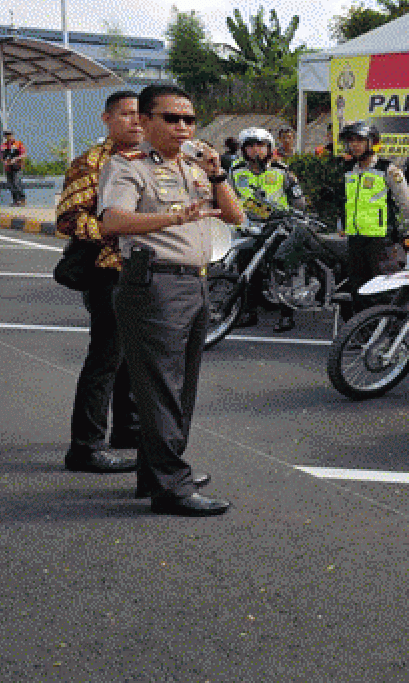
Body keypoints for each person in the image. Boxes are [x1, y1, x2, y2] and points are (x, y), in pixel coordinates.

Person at [99, 84, 245, 516]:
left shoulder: (197, 168)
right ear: (144, 122)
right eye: (170, 118)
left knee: (181, 386)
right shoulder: (128, 167)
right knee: (161, 387)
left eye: (188, 119)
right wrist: (173, 217)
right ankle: (172, 487)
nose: (182, 127)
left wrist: (218, 174)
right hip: (155, 286)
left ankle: (157, 472)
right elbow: (113, 221)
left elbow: (235, 217)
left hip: (196, 283)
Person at [57, 91, 145, 475]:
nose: (136, 122)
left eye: (141, 115)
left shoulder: (154, 160)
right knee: (105, 357)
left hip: (145, 270)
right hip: (108, 269)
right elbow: (69, 220)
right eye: (126, 114)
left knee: (133, 357)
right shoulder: (91, 163)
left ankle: (128, 429)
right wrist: (120, 230)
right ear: (107, 119)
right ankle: (85, 447)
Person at [228, 126, 307, 333]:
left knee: (281, 272)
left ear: (269, 148)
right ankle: (248, 312)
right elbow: (228, 197)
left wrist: (291, 218)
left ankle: (286, 314)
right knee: (246, 271)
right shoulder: (235, 171)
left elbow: (299, 202)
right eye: (251, 146)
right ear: (243, 150)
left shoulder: (282, 171)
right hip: (248, 228)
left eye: (261, 146)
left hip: (277, 229)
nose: (256, 151)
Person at [338, 121, 409, 314]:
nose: (354, 145)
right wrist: (342, 224)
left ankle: (387, 335)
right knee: (358, 290)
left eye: (360, 140)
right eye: (351, 141)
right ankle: (361, 335)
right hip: (355, 239)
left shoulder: (388, 170)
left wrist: (398, 232)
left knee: (383, 291)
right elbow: (344, 201)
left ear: (372, 143)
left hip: (381, 241)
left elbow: (407, 207)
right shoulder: (348, 171)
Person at [0, 130, 27, 206]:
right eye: (6, 135)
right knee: (10, 184)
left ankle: (22, 199)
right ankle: (15, 201)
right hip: (8, 168)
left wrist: (15, 159)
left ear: (12, 135)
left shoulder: (18, 144)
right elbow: (2, 156)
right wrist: (4, 161)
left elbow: (24, 155)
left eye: (9, 134)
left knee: (16, 183)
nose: (8, 136)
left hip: (17, 167)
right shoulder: (3, 145)